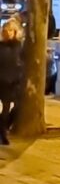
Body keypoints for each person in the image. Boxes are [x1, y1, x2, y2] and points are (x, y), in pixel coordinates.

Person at [0, 16, 23, 144]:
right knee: (5, 108)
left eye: (11, 30)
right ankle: (3, 133)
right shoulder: (1, 46)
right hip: (2, 81)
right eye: (6, 30)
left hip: (13, 82)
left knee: (16, 107)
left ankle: (3, 127)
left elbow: (21, 62)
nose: (8, 32)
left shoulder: (18, 46)